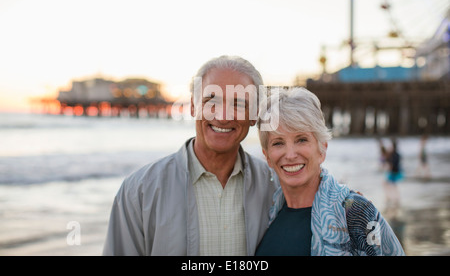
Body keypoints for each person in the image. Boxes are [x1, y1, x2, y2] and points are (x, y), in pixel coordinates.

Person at [103, 55, 278, 255]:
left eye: (238, 104)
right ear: (193, 107)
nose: (222, 116)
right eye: (211, 100)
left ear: (254, 115)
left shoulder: (274, 187)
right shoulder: (138, 192)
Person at [255, 87, 404, 256]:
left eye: (301, 140)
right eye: (278, 143)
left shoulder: (355, 212)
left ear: (322, 149)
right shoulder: (265, 215)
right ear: (267, 156)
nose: (290, 155)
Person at [384, 138, 403, 208]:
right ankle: (395, 198)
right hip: (397, 171)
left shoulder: (393, 155)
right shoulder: (397, 154)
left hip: (393, 172)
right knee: (393, 185)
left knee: (388, 184)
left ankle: (390, 197)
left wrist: (389, 170)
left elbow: (391, 164)